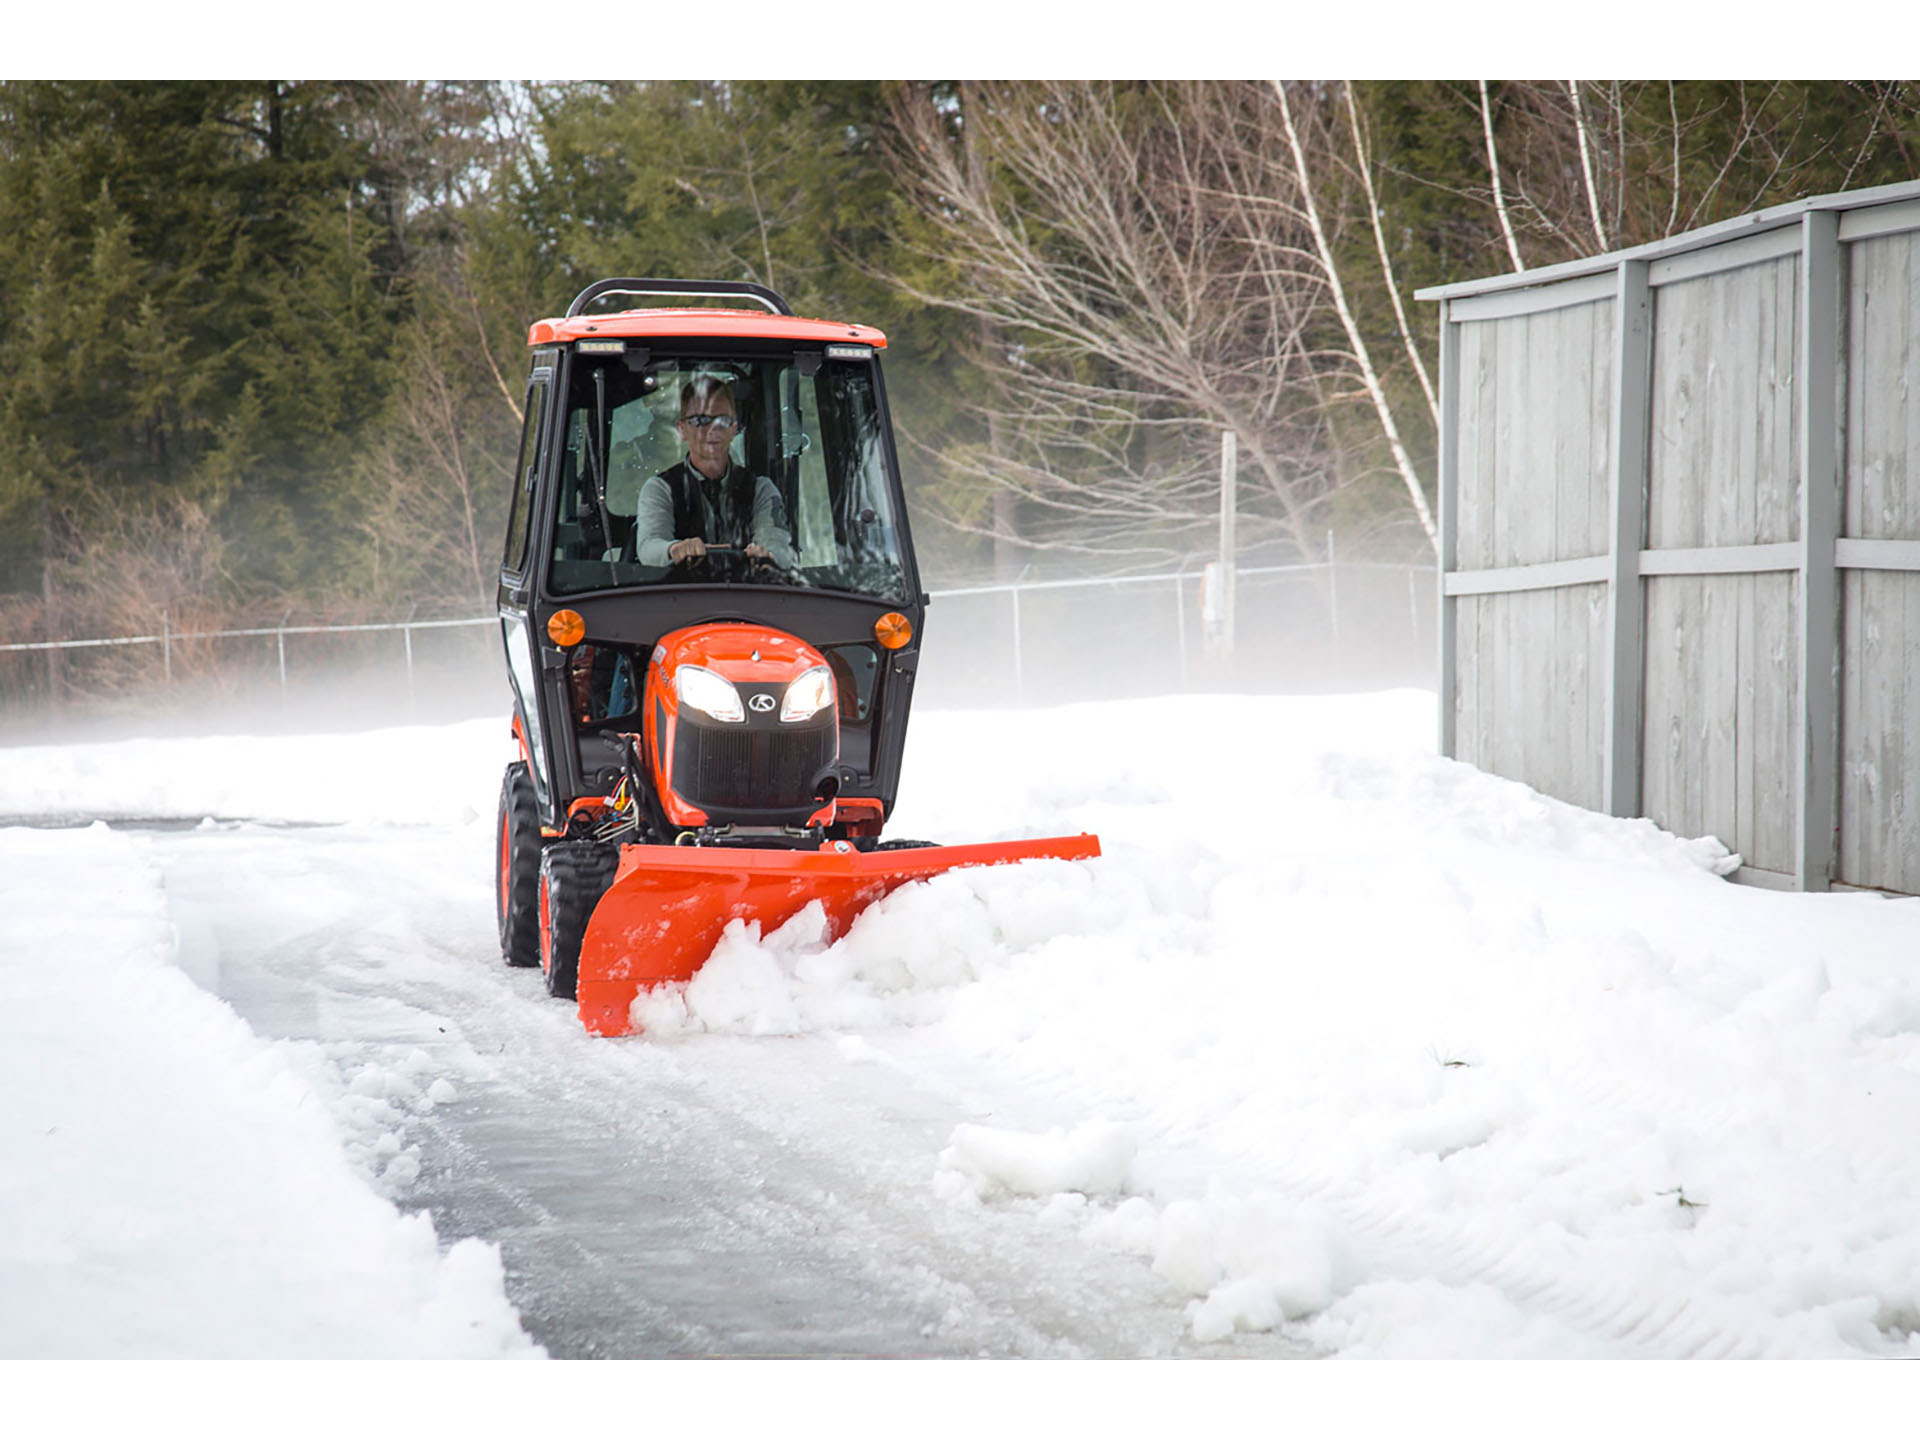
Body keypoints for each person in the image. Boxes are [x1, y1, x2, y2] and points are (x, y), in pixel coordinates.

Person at [627, 375, 796, 573]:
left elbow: (779, 548)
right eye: (700, 420)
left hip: (749, 598)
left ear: (734, 429)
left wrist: (767, 554)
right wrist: (675, 549)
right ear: (681, 430)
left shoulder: (761, 489)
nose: (713, 429)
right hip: (676, 597)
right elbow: (649, 547)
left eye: (723, 420)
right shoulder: (661, 489)